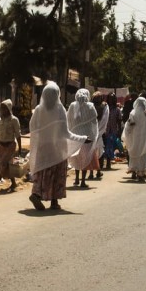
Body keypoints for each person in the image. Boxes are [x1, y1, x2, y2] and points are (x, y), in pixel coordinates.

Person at [28, 82, 88, 211]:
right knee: (57, 175)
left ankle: (36, 194)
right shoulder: (60, 109)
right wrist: (82, 139)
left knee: (42, 172)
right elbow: (65, 133)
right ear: (57, 95)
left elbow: (33, 127)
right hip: (57, 149)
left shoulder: (38, 109)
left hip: (43, 148)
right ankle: (54, 202)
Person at [67, 88, 99, 187]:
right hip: (87, 137)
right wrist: (94, 135)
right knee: (85, 158)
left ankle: (76, 179)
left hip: (75, 136)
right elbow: (94, 122)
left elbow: (68, 120)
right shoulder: (90, 106)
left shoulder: (72, 106)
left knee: (76, 157)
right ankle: (83, 181)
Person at [0, 99, 22, 192]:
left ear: (9, 108)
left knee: (2, 163)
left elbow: (18, 134)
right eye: (2, 108)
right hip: (2, 146)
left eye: (5, 108)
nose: (3, 110)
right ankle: (14, 183)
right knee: (7, 165)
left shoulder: (14, 120)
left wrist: (20, 148)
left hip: (10, 146)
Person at [123, 96, 146, 180]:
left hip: (135, 139)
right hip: (145, 139)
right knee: (143, 156)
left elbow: (129, 126)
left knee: (134, 154)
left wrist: (127, 134)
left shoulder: (133, 113)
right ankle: (141, 174)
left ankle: (133, 171)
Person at [102, 92, 122, 169]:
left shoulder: (117, 110)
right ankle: (104, 162)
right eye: (110, 98)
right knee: (104, 146)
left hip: (113, 131)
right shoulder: (104, 108)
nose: (111, 100)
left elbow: (119, 121)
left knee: (110, 147)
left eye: (112, 98)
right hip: (104, 130)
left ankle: (108, 162)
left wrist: (119, 132)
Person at [91, 91, 108, 179]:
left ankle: (91, 173)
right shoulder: (105, 106)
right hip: (100, 133)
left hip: (90, 133)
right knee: (100, 153)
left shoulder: (90, 106)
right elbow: (105, 120)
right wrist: (100, 132)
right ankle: (98, 171)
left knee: (91, 152)